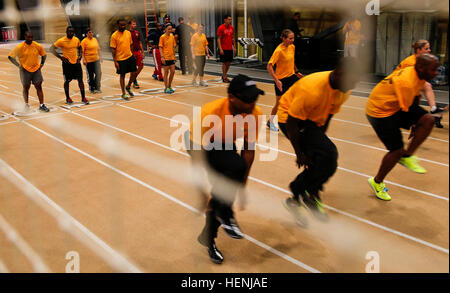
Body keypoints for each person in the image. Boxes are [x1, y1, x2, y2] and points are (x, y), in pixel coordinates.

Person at [185, 74, 264, 264]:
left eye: (254, 98)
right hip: (201, 143)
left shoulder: (255, 114)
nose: (252, 103)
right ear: (232, 98)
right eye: (247, 99)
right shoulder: (210, 112)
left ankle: (212, 230)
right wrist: (199, 189)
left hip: (225, 142)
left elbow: (248, 149)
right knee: (224, 183)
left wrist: (242, 184)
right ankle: (216, 229)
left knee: (232, 178)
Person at [284, 57, 361, 222]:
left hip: (311, 120)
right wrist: (300, 153)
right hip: (290, 118)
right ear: (340, 73)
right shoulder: (311, 89)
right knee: (329, 155)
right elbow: (291, 124)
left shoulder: (343, 90)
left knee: (325, 159)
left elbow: (328, 116)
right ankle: (299, 195)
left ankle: (306, 196)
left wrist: (318, 142)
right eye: (352, 81)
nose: (353, 86)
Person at [366, 54, 439, 201]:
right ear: (421, 68)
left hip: (393, 105)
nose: (436, 73)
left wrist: (417, 121)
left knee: (428, 120)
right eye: (433, 70)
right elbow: (407, 106)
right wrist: (413, 123)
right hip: (379, 112)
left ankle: (407, 156)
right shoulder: (406, 81)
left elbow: (414, 99)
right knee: (396, 150)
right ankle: (377, 181)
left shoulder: (420, 75)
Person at [395, 40, 447, 127]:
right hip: (398, 85)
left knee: (424, 88)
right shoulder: (411, 62)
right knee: (425, 87)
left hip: (406, 84)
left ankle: (433, 110)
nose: (429, 50)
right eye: (426, 48)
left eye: (429, 48)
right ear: (419, 50)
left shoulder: (421, 61)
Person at [267, 29, 303, 132]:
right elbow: (269, 66)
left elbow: (292, 61)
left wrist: (297, 72)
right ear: (283, 38)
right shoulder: (278, 50)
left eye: (293, 38)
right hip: (281, 80)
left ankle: (294, 120)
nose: (292, 40)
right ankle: (270, 121)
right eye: (290, 38)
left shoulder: (292, 47)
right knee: (279, 104)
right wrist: (276, 80)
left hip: (292, 77)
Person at [8, 31, 49, 112]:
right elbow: (10, 57)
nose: (30, 39)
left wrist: (42, 64)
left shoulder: (37, 45)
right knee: (26, 87)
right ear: (25, 37)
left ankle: (42, 105)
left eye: (31, 37)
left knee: (39, 86)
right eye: (28, 37)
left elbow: (44, 54)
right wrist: (19, 66)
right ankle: (26, 104)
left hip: (36, 69)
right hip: (25, 70)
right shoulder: (19, 47)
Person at [50, 26, 89, 105]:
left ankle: (83, 97)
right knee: (67, 81)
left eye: (72, 32)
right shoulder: (61, 40)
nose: (71, 33)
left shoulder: (76, 39)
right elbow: (51, 49)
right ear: (66, 32)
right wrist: (61, 58)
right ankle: (68, 98)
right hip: (67, 64)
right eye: (69, 32)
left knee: (80, 81)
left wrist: (80, 56)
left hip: (76, 63)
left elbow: (80, 47)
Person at [110, 19, 138, 100]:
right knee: (122, 75)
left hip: (129, 56)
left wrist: (132, 54)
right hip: (120, 59)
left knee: (134, 73)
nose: (123, 26)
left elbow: (131, 44)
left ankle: (128, 86)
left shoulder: (128, 33)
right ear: (117, 25)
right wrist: (115, 61)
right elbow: (113, 49)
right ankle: (123, 93)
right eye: (121, 25)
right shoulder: (114, 35)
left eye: (124, 25)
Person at [81, 27, 102, 94]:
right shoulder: (84, 41)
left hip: (96, 60)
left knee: (99, 73)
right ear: (86, 34)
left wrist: (100, 57)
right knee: (90, 75)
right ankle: (91, 88)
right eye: (89, 32)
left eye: (92, 32)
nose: (91, 33)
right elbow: (82, 52)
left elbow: (98, 49)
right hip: (89, 61)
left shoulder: (95, 40)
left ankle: (97, 87)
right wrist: (84, 60)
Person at [217, 15, 235, 83]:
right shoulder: (221, 28)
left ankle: (224, 75)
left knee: (229, 63)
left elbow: (232, 38)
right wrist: (220, 49)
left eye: (231, 19)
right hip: (223, 48)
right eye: (229, 19)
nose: (230, 21)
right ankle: (224, 77)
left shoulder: (231, 28)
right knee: (224, 63)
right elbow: (218, 39)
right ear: (225, 20)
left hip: (230, 48)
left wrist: (234, 47)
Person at [159, 24, 177, 94]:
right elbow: (160, 47)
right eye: (169, 29)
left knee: (173, 71)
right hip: (165, 57)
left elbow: (173, 47)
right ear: (165, 29)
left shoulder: (172, 36)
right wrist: (162, 57)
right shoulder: (162, 37)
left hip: (171, 57)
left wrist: (174, 56)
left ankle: (169, 86)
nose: (170, 30)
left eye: (171, 29)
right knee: (166, 72)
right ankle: (166, 88)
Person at [129, 20, 145, 89]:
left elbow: (140, 42)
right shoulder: (127, 33)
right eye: (133, 24)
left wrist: (142, 51)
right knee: (133, 68)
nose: (135, 25)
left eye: (135, 24)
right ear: (130, 25)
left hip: (138, 51)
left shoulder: (137, 32)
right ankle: (134, 81)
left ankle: (133, 78)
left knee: (141, 66)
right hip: (131, 52)